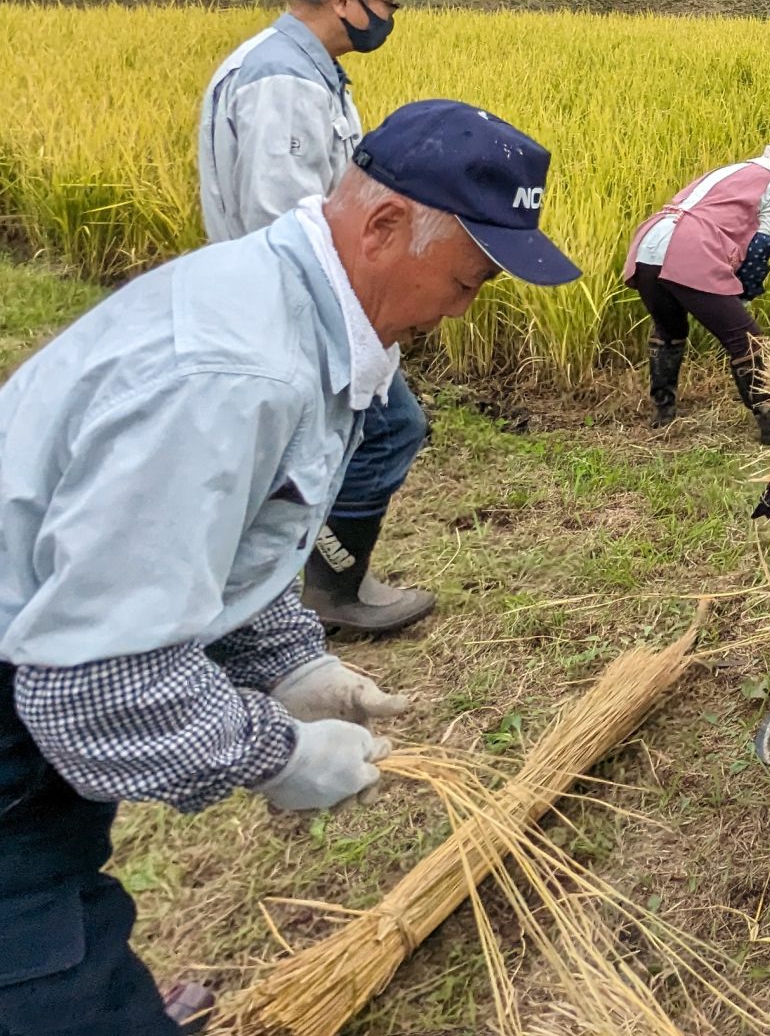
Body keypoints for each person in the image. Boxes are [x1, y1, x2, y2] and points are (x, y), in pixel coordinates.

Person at [1, 101, 579, 1032]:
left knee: (72, 897)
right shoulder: (235, 376)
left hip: (34, 660)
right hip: (17, 694)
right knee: (50, 970)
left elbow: (238, 530)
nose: (462, 309)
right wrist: (276, 755)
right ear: (386, 227)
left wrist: (287, 660)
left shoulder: (297, 311)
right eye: (468, 282)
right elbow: (91, 686)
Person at [195, 0, 438, 638]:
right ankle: (330, 588)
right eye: (386, 2)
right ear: (344, 1)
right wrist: (354, 317)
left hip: (294, 299)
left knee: (306, 450)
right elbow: (287, 215)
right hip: (298, 304)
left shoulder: (304, 69)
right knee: (387, 432)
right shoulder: (284, 81)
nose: (390, 16)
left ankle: (289, 588)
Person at [623, 144, 770, 438]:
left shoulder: (732, 172)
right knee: (745, 337)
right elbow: (760, 245)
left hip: (649, 244)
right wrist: (748, 288)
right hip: (688, 248)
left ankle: (662, 413)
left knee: (669, 330)